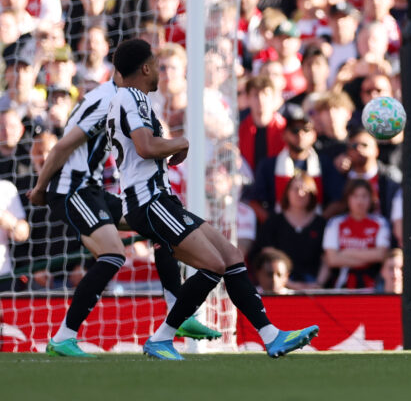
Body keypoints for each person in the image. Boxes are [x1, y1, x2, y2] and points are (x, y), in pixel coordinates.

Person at [105, 39, 318, 360]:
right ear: (146, 67)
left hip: (161, 199)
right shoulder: (131, 99)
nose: (160, 74)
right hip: (148, 202)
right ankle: (162, 338)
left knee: (231, 256)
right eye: (156, 65)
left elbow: (151, 153)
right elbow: (146, 147)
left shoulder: (134, 102)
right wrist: (181, 141)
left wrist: (172, 149)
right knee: (213, 265)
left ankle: (271, 336)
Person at [27, 78, 220, 358]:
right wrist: (40, 189)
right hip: (72, 189)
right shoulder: (108, 100)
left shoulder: (123, 102)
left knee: (157, 224)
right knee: (113, 253)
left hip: (92, 191)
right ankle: (63, 337)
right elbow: (61, 148)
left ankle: (178, 311)